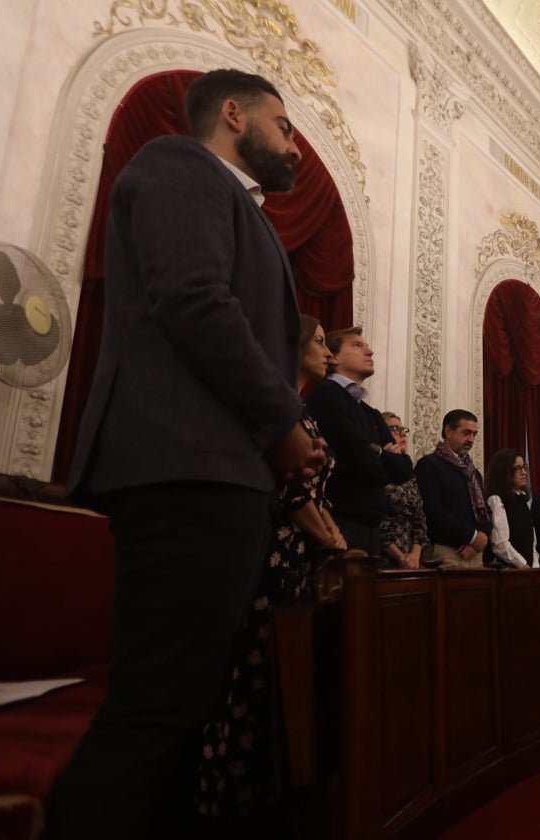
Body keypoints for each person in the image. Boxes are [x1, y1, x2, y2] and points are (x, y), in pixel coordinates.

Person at [52, 69, 324, 839]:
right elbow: (195, 300)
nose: (295, 145)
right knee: (158, 708)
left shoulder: (238, 203)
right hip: (186, 469)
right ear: (232, 114)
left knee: (183, 708)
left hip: (215, 474)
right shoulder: (178, 165)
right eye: (284, 125)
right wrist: (284, 425)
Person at [196, 314, 345, 824]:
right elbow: (293, 490)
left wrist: (333, 536)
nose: (330, 353)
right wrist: (329, 537)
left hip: (306, 553)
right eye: (321, 343)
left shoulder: (304, 412)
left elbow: (317, 493)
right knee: (260, 665)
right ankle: (236, 802)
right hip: (278, 550)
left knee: (292, 676)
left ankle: (277, 792)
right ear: (293, 346)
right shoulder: (278, 409)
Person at [306, 326, 413, 553]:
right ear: (333, 357)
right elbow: (356, 458)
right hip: (338, 522)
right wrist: (386, 456)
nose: (370, 351)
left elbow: (404, 470)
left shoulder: (371, 412)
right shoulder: (326, 395)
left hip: (372, 527)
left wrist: (375, 452)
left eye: (366, 345)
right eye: (357, 345)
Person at [414, 410, 491, 568]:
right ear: (448, 431)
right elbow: (433, 512)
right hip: (445, 552)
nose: (471, 439)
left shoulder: (473, 473)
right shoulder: (429, 465)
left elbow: (486, 512)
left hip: (475, 553)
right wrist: (472, 536)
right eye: (466, 433)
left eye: (474, 434)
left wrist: (479, 540)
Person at [378, 412, 429, 569]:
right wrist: (400, 557)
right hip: (381, 556)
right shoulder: (376, 466)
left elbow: (419, 519)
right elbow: (378, 520)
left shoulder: (409, 472)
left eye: (403, 429)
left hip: (412, 559)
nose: (402, 434)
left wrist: (414, 554)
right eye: (394, 429)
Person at [484, 447, 537, 568]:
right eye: (518, 468)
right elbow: (499, 544)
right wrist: (523, 565)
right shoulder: (496, 500)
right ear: (504, 471)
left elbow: (531, 542)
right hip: (508, 572)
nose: (524, 472)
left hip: (527, 570)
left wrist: (535, 566)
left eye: (524, 467)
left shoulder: (522, 500)